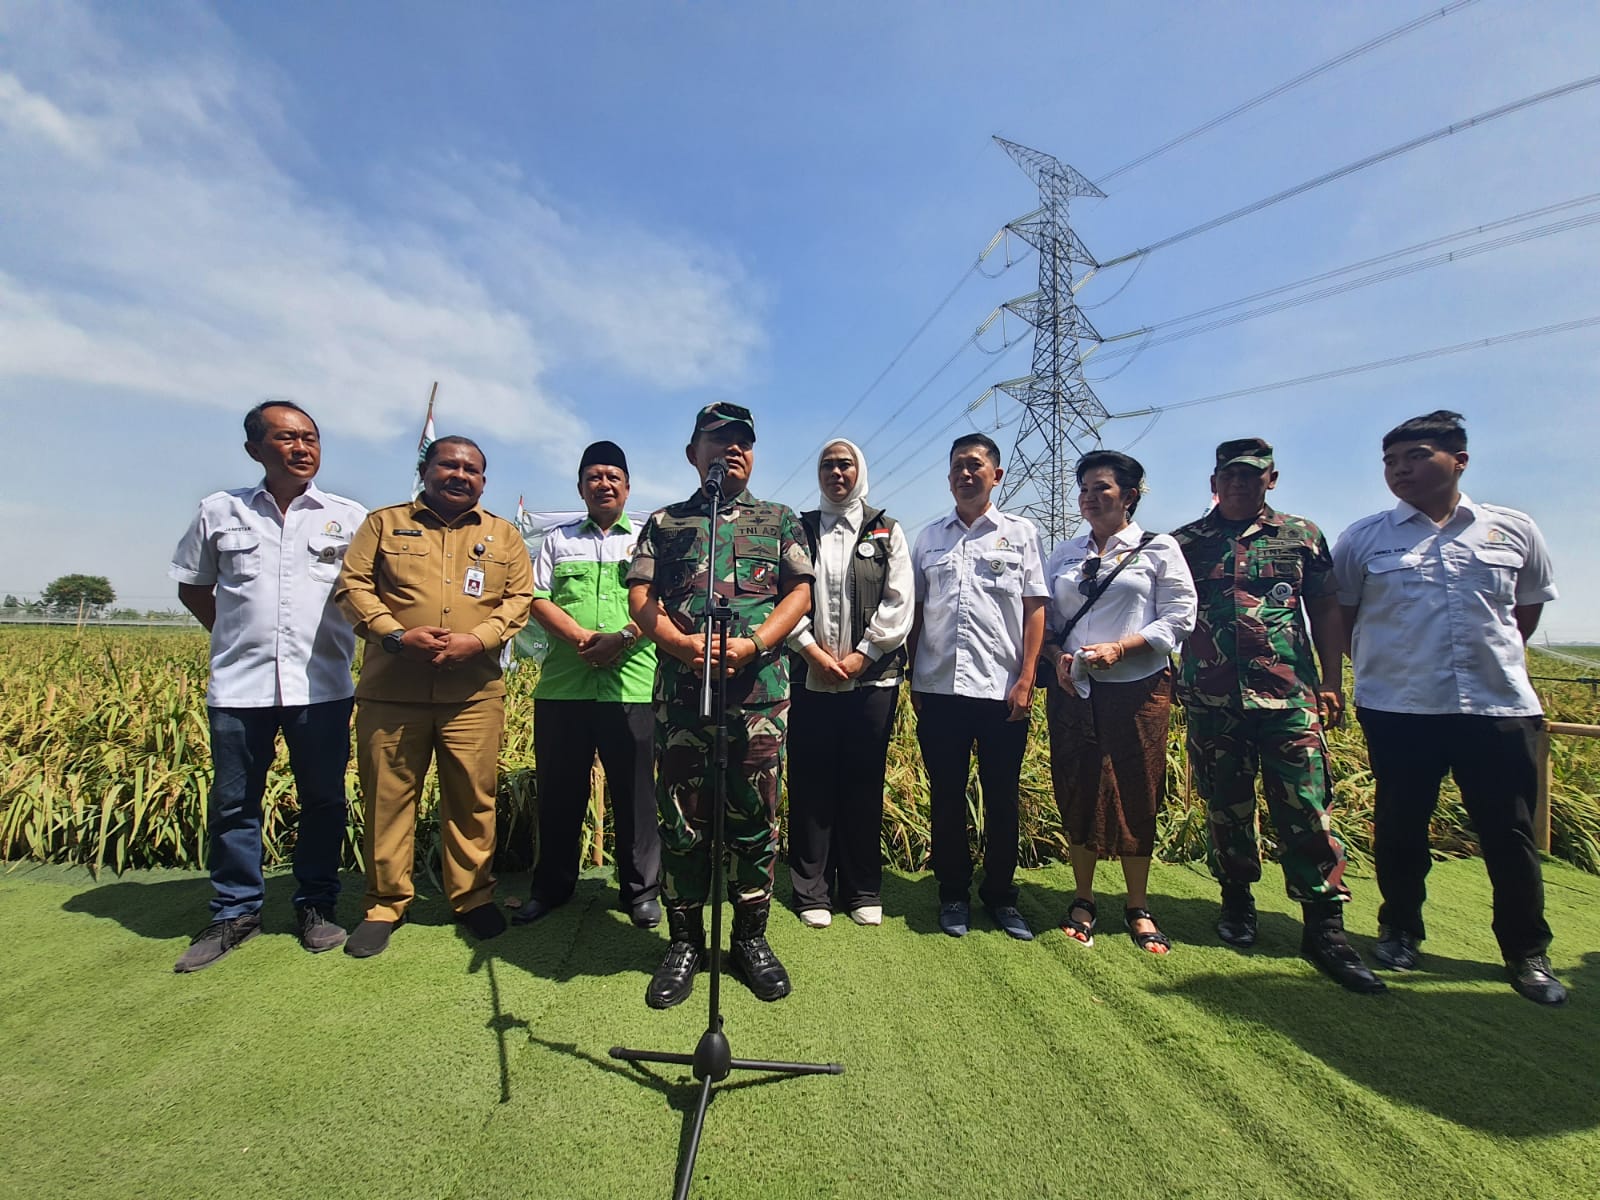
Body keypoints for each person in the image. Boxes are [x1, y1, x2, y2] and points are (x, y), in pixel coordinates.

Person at [1333, 410, 1565, 1005]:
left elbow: (1525, 614)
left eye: (1416, 457)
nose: (1400, 470)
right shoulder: (1366, 539)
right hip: (1400, 708)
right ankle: (1400, 930)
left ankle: (1526, 950)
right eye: (1390, 461)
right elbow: (1343, 618)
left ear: (1458, 461)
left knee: (1508, 832)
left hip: (1496, 707)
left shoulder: (1512, 530)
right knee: (1401, 828)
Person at [1172, 437, 1383, 993]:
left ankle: (1324, 924)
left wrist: (1333, 683)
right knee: (1225, 805)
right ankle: (1237, 901)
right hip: (1213, 699)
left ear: (1272, 478)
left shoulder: (1301, 536)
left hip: (1289, 696)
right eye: (1230, 475)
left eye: (1252, 475)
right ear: (1213, 483)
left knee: (1308, 806)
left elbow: (1325, 610)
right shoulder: (1184, 543)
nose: (1240, 484)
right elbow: (1167, 611)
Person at [169, 400, 366, 972]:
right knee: (234, 802)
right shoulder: (220, 511)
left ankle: (316, 905)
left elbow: (365, 595)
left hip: (321, 684)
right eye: (286, 438)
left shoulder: (347, 517)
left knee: (324, 799)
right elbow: (194, 587)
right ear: (255, 448)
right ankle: (235, 910)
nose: (302, 447)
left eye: (310, 438)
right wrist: (237, 636)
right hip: (238, 687)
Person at [626, 402, 813, 1008]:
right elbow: (641, 596)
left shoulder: (780, 519)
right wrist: (680, 645)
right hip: (683, 697)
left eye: (743, 442)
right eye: (719, 439)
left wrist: (755, 642)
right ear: (692, 453)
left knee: (755, 822)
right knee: (682, 821)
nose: (732, 450)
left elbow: (800, 593)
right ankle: (685, 943)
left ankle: (750, 940)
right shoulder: (665, 521)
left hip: (758, 697)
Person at [334, 435, 533, 958]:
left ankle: (471, 897)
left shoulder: (503, 536)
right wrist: (396, 636)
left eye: (472, 469)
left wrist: (479, 639)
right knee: (388, 798)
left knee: (472, 797)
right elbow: (352, 588)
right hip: (392, 691)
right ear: (425, 469)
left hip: (473, 694)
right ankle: (385, 903)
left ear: (483, 481)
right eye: (449, 464)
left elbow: (518, 600)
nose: (460, 475)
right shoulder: (383, 524)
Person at [1042, 451, 1196, 954]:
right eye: (1084, 487)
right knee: (1077, 785)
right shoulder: (1064, 552)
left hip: (1138, 691)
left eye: (1101, 487)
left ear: (1130, 495)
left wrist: (1121, 648)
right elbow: (1044, 618)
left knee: (1136, 788)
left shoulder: (1159, 548)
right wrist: (1057, 659)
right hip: (1074, 690)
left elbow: (1178, 618)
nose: (1088, 496)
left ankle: (1137, 904)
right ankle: (1083, 898)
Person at [513, 441, 662, 929]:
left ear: (627, 486)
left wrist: (621, 638)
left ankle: (640, 891)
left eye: (613, 476)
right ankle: (551, 888)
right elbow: (535, 597)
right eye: (594, 476)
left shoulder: (646, 538)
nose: (604, 484)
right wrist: (581, 637)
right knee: (559, 793)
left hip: (633, 685)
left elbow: (662, 602)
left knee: (636, 794)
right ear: (580, 487)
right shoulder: (558, 540)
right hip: (564, 687)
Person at [908, 433, 1047, 941]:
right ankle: (952, 894)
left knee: (1002, 797)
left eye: (975, 466)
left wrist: (1028, 677)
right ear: (948, 479)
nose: (966, 475)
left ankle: (1001, 896)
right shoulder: (928, 538)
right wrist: (912, 675)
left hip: (1002, 691)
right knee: (946, 797)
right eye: (957, 468)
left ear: (997, 475)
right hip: (939, 689)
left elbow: (1036, 607)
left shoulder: (1021, 533)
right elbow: (917, 613)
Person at [785, 438, 914, 929]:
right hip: (809, 677)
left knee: (863, 783)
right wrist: (810, 651)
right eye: (826, 465)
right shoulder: (797, 528)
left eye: (845, 464)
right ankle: (811, 890)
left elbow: (900, 599)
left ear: (859, 470)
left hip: (873, 681)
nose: (836, 472)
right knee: (811, 781)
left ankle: (861, 888)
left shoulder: (888, 529)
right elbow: (784, 594)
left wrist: (866, 654)